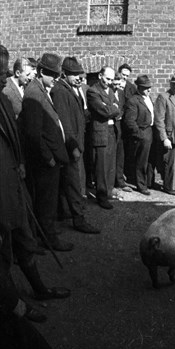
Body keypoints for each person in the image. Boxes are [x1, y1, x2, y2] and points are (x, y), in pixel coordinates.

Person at [0, 45, 70, 329]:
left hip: (13, 187)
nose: (4, 79)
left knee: (25, 240)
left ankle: (38, 289)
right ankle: (14, 308)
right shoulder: (24, 96)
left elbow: (15, 141)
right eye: (0, 73)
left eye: (4, 72)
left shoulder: (3, 101)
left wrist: (19, 167)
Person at [19, 53, 72, 252]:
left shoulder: (41, 89)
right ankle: (49, 240)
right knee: (46, 202)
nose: (56, 79)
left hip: (50, 158)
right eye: (52, 75)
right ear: (41, 72)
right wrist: (48, 157)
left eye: (58, 74)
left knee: (47, 200)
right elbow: (33, 133)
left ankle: (45, 235)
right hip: (44, 162)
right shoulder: (34, 93)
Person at [50, 57, 100, 234]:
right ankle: (79, 219)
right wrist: (73, 147)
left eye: (80, 74)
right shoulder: (61, 92)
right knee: (73, 183)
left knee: (69, 182)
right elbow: (64, 122)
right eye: (74, 74)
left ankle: (64, 213)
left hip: (75, 144)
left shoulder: (70, 89)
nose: (79, 77)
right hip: (70, 147)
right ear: (64, 74)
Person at [87, 66, 120, 209]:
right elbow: (105, 111)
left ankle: (109, 191)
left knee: (111, 164)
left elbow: (117, 108)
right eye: (107, 79)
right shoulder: (93, 91)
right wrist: (112, 108)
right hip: (101, 132)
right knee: (101, 166)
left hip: (112, 130)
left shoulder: (111, 90)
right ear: (100, 76)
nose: (109, 82)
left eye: (112, 79)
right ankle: (101, 196)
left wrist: (112, 107)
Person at [124, 75, 155, 195]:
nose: (148, 90)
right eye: (145, 88)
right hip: (142, 133)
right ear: (139, 87)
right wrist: (139, 135)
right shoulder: (133, 100)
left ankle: (149, 182)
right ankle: (141, 185)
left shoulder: (148, 98)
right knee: (141, 161)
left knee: (150, 159)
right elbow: (130, 121)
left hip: (151, 131)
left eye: (149, 87)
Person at [111, 73, 132, 194]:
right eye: (115, 84)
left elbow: (124, 107)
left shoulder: (120, 93)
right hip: (110, 125)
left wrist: (121, 114)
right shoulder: (108, 92)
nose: (117, 87)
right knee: (111, 155)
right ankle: (111, 182)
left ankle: (119, 180)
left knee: (120, 154)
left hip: (120, 125)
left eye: (119, 84)